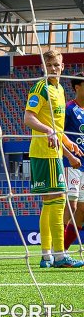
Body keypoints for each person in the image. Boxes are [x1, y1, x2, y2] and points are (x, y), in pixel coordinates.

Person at [23, 50, 84, 268]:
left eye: (56, 65)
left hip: (53, 153)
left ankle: (46, 255)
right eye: (49, 65)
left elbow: (58, 130)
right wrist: (48, 130)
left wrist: (68, 145)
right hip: (44, 152)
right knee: (59, 203)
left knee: (49, 204)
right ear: (43, 67)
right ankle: (60, 256)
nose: (53, 69)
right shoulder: (41, 88)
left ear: (63, 66)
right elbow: (28, 118)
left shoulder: (58, 90)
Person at [63, 73, 84, 253]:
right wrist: (70, 155)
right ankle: (56, 251)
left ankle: (61, 249)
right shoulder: (69, 108)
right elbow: (57, 133)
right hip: (73, 165)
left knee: (81, 211)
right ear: (77, 87)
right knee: (71, 205)